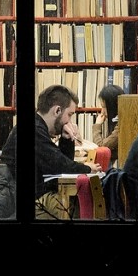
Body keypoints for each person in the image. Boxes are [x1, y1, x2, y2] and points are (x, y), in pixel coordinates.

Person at [33, 84, 102, 219]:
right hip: (28, 201)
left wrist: (66, 139)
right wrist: (87, 168)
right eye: (69, 115)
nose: (69, 121)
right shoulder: (35, 130)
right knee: (68, 208)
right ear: (57, 110)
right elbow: (59, 165)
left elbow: (60, 163)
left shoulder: (38, 127)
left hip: (34, 194)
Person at [91, 84, 124, 152]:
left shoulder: (122, 125)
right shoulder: (117, 120)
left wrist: (97, 125)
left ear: (113, 107)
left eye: (104, 107)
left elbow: (101, 147)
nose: (102, 111)